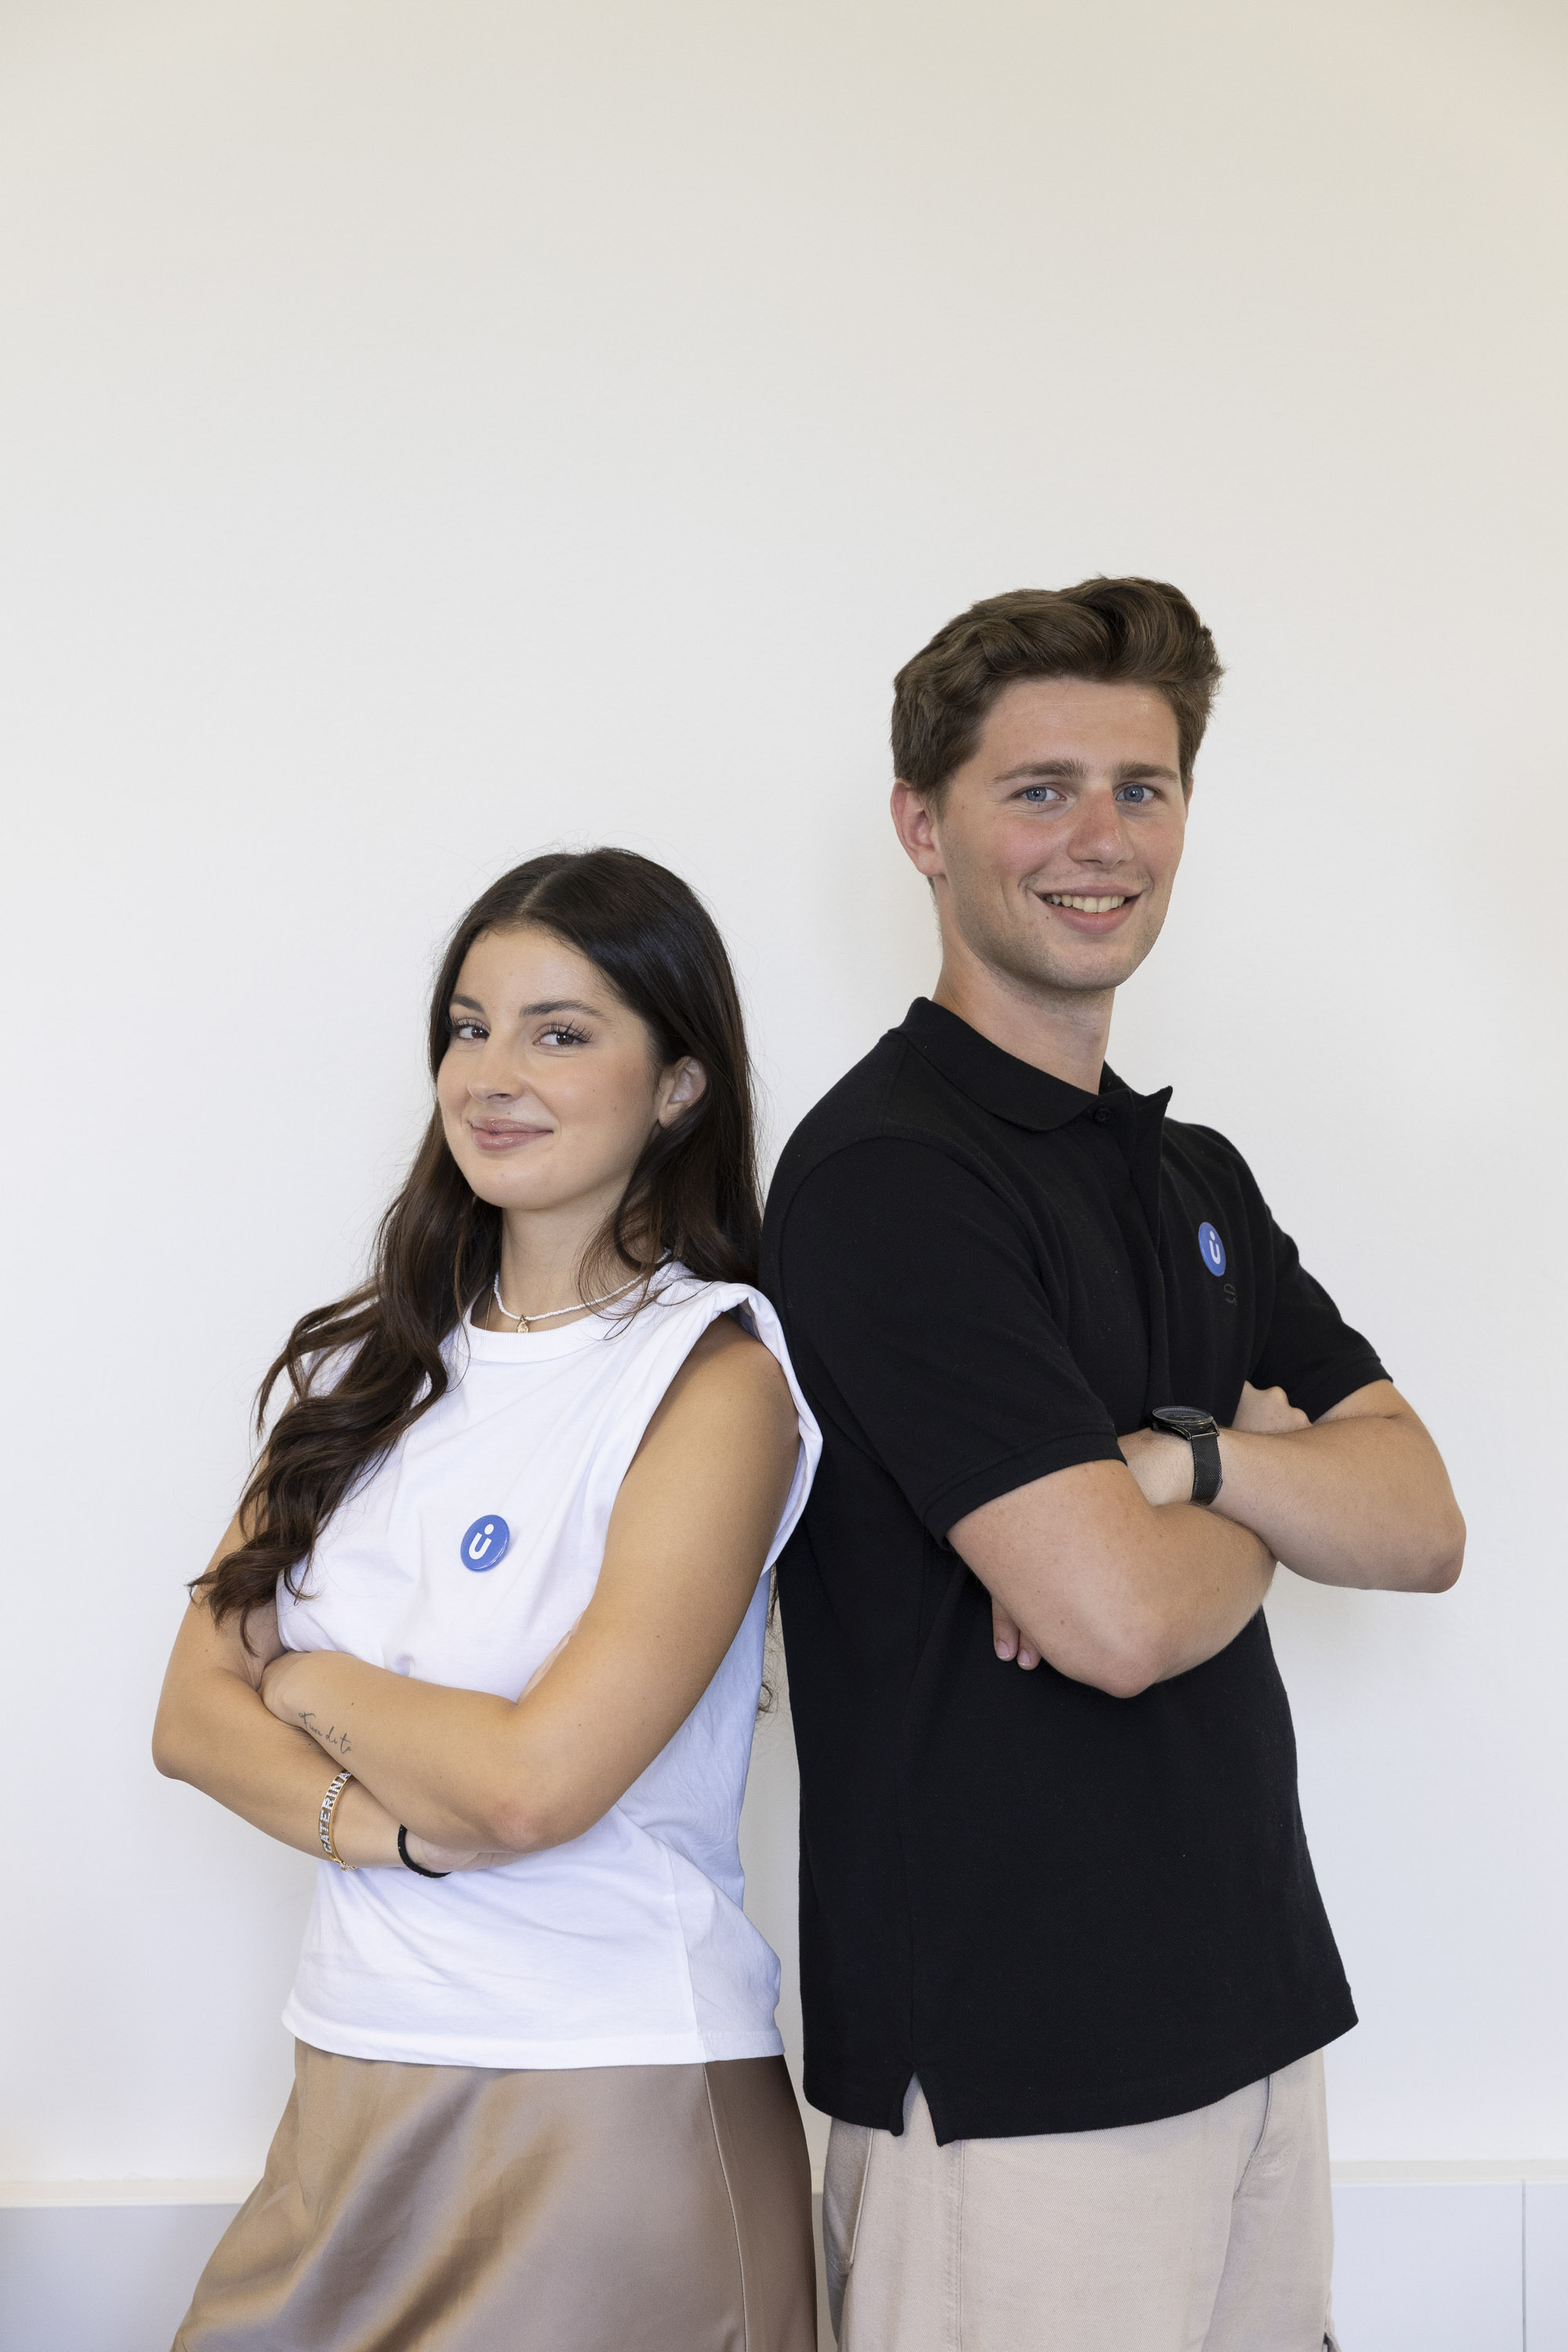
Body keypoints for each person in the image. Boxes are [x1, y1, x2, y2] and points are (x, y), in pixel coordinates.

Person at [760, 579, 1465, 2352]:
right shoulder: (888, 1181)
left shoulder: (1189, 1174)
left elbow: (1426, 1523)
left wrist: (1175, 1463)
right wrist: (1262, 1473)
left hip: (1251, 2021)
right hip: (1009, 2077)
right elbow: (1116, 1625)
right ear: (922, 825)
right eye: (1040, 787)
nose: (1099, 840)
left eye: (1142, 789)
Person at [154, 848, 822, 2352]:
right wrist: (386, 1826)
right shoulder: (360, 1373)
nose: (492, 1074)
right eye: (468, 1025)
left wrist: (304, 1685)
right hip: (348, 2075)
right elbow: (186, 1721)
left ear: (680, 1089)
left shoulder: (712, 1380)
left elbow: (535, 1788)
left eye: (561, 1031)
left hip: (613, 2097)